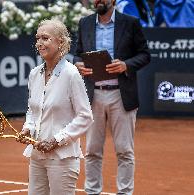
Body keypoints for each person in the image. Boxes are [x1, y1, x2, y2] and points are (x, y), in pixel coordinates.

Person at [73, 0, 151, 194]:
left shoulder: (130, 22)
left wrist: (126, 65)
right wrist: (78, 64)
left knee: (125, 150)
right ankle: (92, 192)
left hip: (121, 95)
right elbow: (77, 54)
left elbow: (145, 54)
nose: (98, 0)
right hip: (93, 95)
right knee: (92, 150)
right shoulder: (85, 22)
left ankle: (125, 192)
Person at [17, 18, 93, 195]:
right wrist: (28, 128)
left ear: (60, 42)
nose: (39, 43)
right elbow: (32, 110)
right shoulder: (35, 74)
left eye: (45, 38)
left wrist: (56, 140)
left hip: (63, 158)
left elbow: (85, 116)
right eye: (37, 38)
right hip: (37, 155)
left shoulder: (71, 74)